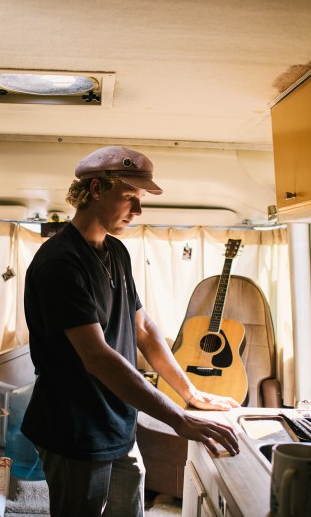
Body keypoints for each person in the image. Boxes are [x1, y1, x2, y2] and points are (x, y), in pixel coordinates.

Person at [22, 146, 241, 516]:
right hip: (75, 428)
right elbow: (97, 357)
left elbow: (144, 328)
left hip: (118, 422)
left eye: (139, 200)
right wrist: (179, 418)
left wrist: (190, 392)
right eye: (129, 198)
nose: (137, 211)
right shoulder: (60, 263)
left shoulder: (117, 252)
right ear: (95, 190)